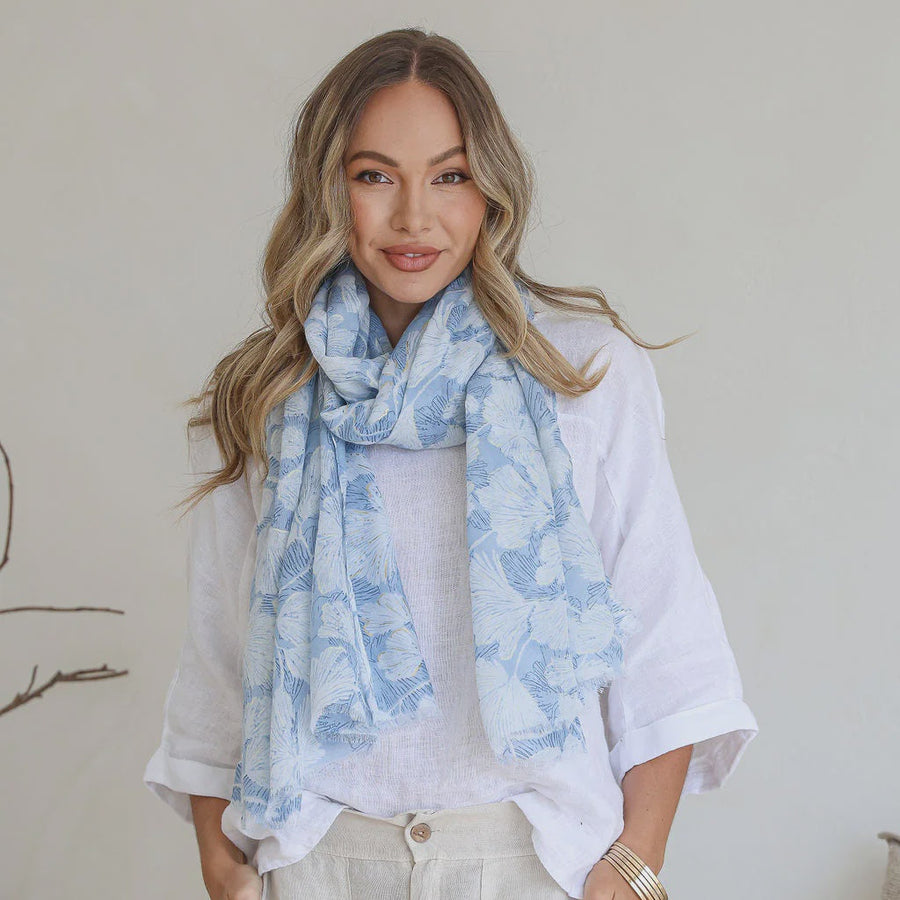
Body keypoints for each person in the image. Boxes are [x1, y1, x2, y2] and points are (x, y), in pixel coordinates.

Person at [142, 27, 759, 900]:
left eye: (449, 175)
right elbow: (219, 660)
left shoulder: (582, 373)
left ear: (490, 189)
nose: (413, 218)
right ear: (328, 189)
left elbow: (665, 638)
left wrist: (632, 867)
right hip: (321, 862)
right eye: (374, 176)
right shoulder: (266, 394)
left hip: (533, 862)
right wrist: (223, 867)